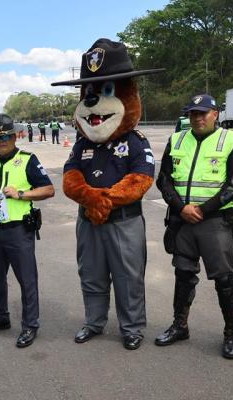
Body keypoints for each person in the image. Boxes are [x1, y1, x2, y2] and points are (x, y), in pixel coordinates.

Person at [53, 38, 162, 350]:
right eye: (90, 92)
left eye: (107, 90)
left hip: (123, 223)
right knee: (91, 275)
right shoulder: (82, 143)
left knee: (128, 278)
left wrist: (106, 200)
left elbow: (141, 179)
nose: (94, 100)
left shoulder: (135, 140)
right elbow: (70, 176)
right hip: (89, 222)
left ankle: (132, 328)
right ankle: (94, 322)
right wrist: (91, 199)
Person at [154, 94, 233, 359]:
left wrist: (203, 210)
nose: (197, 118)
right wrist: (181, 207)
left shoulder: (231, 139)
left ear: (215, 114)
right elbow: (164, 179)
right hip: (183, 220)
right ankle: (180, 326)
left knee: (223, 278)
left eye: (203, 113)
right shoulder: (176, 139)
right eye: (193, 113)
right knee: (183, 274)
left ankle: (231, 333)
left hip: (215, 221)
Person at [0, 114, 55, 348]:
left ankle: (30, 325)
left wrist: (21, 193)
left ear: (14, 136)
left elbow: (48, 190)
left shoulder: (27, 160)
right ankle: (0, 317)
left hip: (19, 230)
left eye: (6, 136)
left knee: (27, 279)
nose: (1, 141)